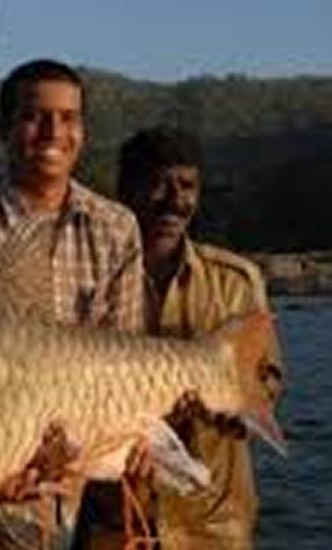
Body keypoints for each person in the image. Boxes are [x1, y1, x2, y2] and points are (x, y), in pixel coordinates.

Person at [0, 58, 145, 548]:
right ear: (4, 127)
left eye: (69, 118)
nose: (53, 132)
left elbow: (124, 353)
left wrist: (138, 433)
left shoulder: (117, 227)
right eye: (34, 116)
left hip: (84, 463)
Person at [115, 125, 284, 549]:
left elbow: (268, 382)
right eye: (158, 185)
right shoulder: (97, 279)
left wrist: (234, 410)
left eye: (187, 186)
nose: (175, 201)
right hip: (118, 521)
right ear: (125, 191)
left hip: (213, 525)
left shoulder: (237, 282)